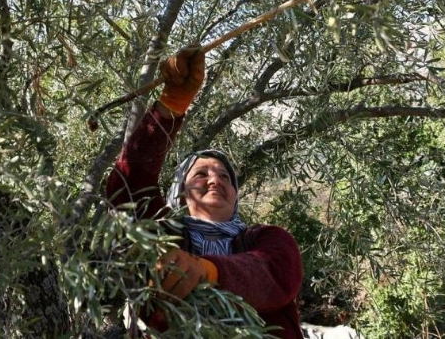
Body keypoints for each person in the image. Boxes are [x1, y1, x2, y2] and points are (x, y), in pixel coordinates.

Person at [106, 48, 304, 339]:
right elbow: (128, 184)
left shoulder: (267, 238)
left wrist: (208, 271)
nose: (215, 181)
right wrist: (170, 106)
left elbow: (275, 275)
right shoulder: (163, 232)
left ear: (235, 195)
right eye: (201, 174)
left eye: (225, 176)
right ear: (181, 193)